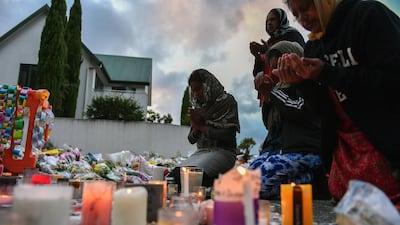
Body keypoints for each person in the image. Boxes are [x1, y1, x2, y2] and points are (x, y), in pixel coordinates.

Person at [273, 0, 400, 204]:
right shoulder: (314, 46)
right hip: (347, 159)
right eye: (296, 14)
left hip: (387, 149)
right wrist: (303, 84)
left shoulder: (367, 16)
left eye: (305, 8)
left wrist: (328, 73)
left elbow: (393, 82)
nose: (302, 18)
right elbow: (323, 112)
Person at [249, 40, 327, 200]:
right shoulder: (279, 90)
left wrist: (272, 93)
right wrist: (267, 97)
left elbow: (299, 110)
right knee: (245, 182)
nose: (276, 73)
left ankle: (308, 181)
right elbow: (270, 126)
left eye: (281, 66)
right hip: (276, 150)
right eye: (273, 68)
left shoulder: (309, 85)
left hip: (302, 151)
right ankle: (294, 185)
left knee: (255, 187)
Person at [167, 68, 240, 190]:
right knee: (172, 179)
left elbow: (228, 136)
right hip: (202, 153)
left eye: (199, 89)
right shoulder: (199, 107)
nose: (196, 94)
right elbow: (191, 139)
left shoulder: (227, 102)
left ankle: (214, 185)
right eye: (193, 91)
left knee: (189, 180)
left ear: (208, 85)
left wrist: (202, 126)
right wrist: (196, 127)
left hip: (223, 152)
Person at [250, 8, 305, 154]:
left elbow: (299, 55)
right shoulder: (269, 42)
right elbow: (258, 71)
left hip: (291, 88)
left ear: (281, 20)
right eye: (267, 21)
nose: (269, 23)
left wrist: (268, 50)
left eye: (272, 19)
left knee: (289, 124)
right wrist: (258, 56)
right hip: (271, 90)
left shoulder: (292, 35)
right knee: (274, 126)